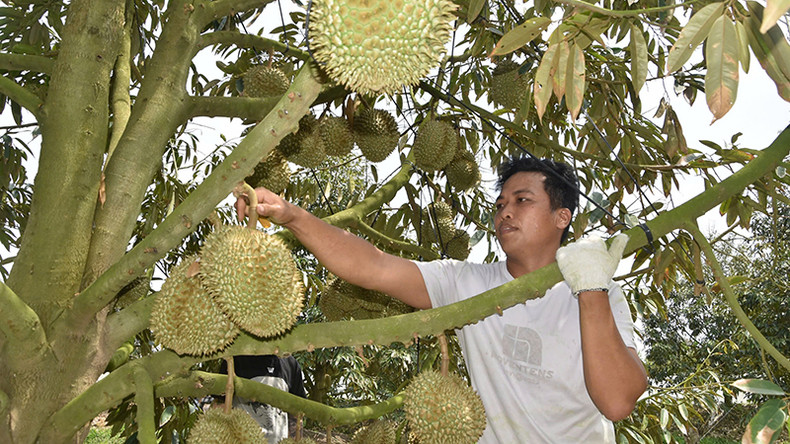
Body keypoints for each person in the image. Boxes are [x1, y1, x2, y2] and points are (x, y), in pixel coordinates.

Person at [236, 156, 647, 443]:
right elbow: (373, 266)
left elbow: (616, 402)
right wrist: (292, 215)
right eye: (500, 204)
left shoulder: (601, 294)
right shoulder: (468, 283)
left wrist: (589, 287)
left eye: (522, 200)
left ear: (562, 217)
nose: (505, 212)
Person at [216, 354, 306, 444]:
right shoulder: (236, 359)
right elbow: (220, 404)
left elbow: (296, 414)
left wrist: (295, 440)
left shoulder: (291, 364)